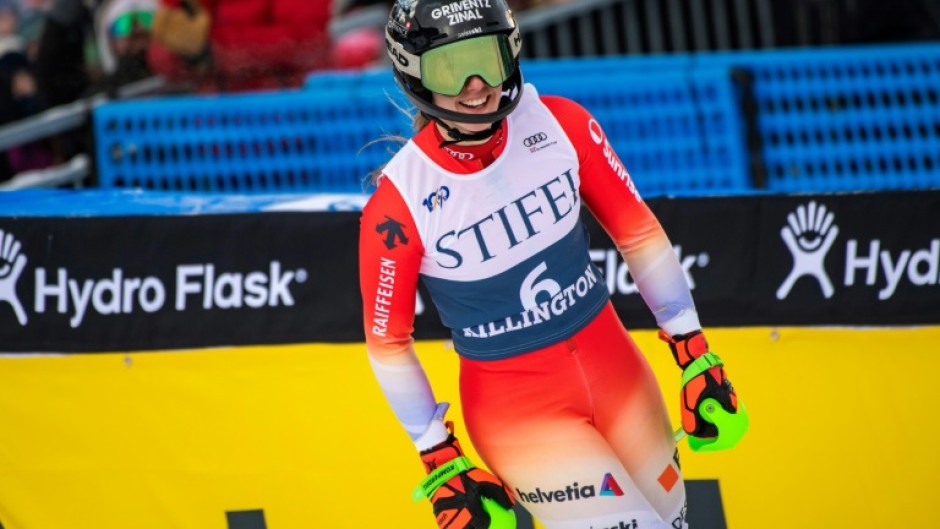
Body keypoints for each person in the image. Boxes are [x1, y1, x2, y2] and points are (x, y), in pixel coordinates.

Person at [358, 2, 743, 528]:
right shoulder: (399, 202)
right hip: (521, 414)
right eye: (452, 67)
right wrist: (439, 457)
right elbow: (388, 342)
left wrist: (693, 350)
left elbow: (640, 234)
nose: (476, 85)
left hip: (620, 377)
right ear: (415, 73)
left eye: (487, 60)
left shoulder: (562, 123)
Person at [147, 0, 334, 93]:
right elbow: (162, 48)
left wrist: (213, 49)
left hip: (288, 128)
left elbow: (306, 41)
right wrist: (187, 55)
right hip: (217, 131)